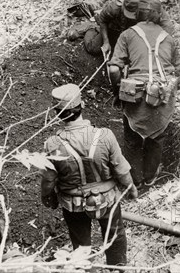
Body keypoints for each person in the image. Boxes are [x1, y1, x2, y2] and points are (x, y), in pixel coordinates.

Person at [41, 84, 137, 268]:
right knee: (114, 235)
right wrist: (131, 188)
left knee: (80, 244)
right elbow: (121, 170)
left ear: (57, 113)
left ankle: (86, 270)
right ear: (82, 105)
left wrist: (47, 197)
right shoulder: (105, 136)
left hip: (73, 204)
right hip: (107, 199)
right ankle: (117, 269)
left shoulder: (52, 144)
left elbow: (48, 180)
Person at [108, 0, 180, 188]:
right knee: (156, 137)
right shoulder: (168, 38)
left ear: (137, 15)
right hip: (161, 96)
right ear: (159, 16)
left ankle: (136, 179)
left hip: (134, 96)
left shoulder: (126, 35)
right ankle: (150, 176)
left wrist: (117, 91)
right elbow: (179, 72)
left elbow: (114, 70)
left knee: (132, 138)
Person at [97, 0, 175, 56]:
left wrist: (156, 47)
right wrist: (106, 42)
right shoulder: (115, 8)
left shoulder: (153, 8)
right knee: (94, 48)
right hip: (118, 34)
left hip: (142, 39)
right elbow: (103, 19)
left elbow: (167, 26)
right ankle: (89, 28)